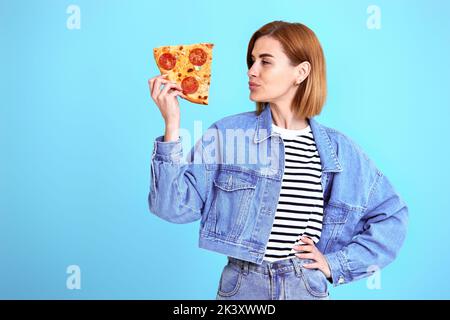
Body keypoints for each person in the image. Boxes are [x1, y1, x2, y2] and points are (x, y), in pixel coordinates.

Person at [147, 21, 408, 300]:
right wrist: (172, 124)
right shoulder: (227, 135)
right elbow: (170, 208)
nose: (252, 70)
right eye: (251, 61)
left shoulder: (339, 151)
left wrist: (335, 265)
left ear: (301, 72)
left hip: (305, 287)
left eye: (265, 61)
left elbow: (391, 217)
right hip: (243, 288)